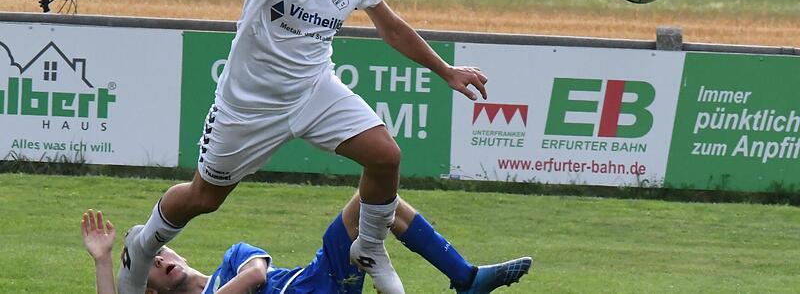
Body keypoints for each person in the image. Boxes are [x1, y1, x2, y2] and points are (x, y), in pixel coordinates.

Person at [117, 0, 488, 294]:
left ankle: (367, 248)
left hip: (314, 92)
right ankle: (145, 241)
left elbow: (394, 30)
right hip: (249, 105)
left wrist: (447, 71)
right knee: (205, 198)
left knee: (385, 156)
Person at [84, 194, 532, 293]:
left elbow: (258, 274)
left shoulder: (233, 257)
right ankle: (376, 263)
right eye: (149, 262)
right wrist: (106, 262)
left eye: (161, 248)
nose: (159, 257)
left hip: (320, 278)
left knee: (379, 195)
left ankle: (466, 277)